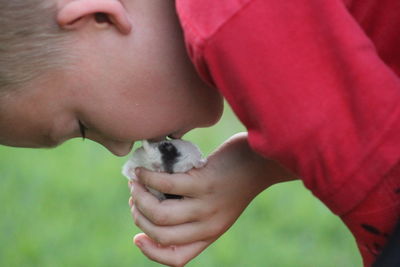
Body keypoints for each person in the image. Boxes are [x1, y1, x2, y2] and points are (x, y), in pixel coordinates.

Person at [1, 0, 399, 266]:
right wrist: (257, 165)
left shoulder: (234, 22)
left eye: (84, 127)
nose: (120, 148)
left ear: (100, 18)